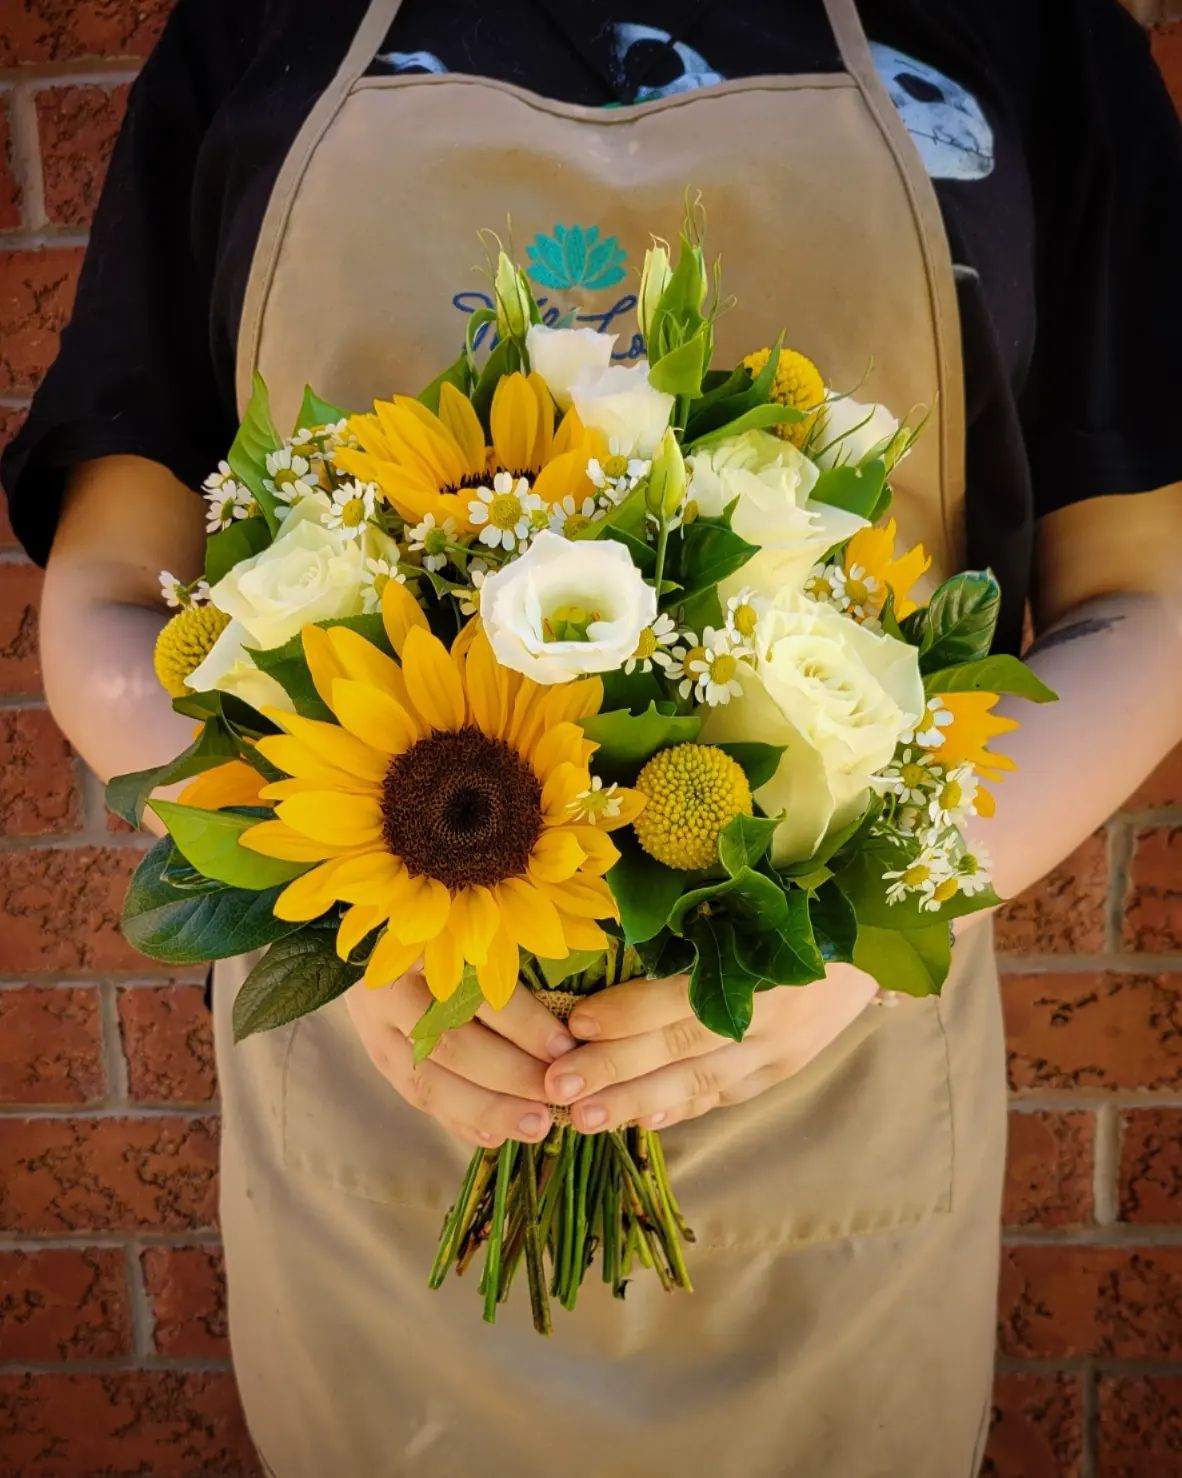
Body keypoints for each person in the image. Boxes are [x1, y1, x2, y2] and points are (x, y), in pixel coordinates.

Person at [4, 1, 1181, 1473]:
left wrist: (870, 908)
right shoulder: (258, 26)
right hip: (383, 1100)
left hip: (838, 1113)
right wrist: (354, 906)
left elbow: (1145, 601)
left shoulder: (1026, 32)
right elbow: (116, 594)